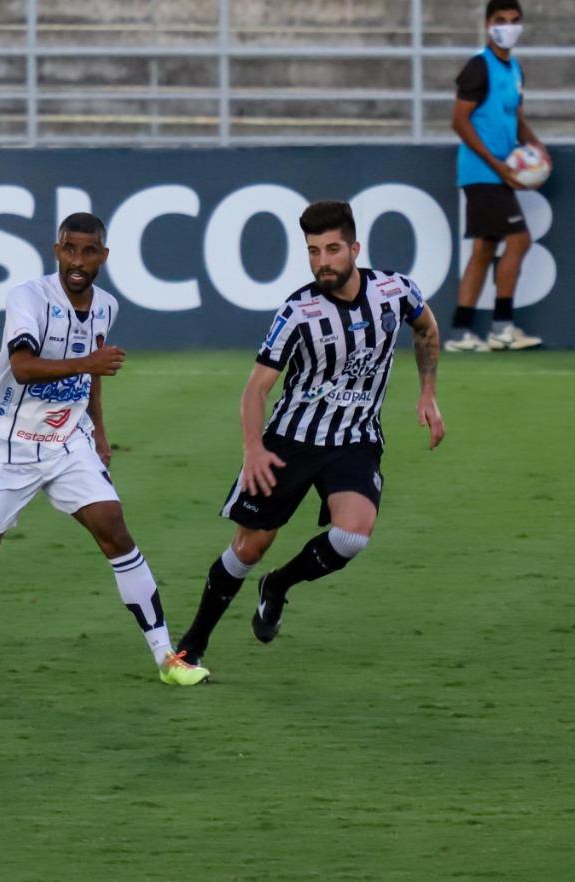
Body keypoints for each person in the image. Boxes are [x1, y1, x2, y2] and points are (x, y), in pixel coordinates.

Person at [0, 212, 209, 689]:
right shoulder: (28, 298)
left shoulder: (107, 306)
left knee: (115, 532)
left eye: (89, 251)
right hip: (6, 445)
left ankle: (166, 656)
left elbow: (90, 376)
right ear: (57, 251)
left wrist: (98, 430)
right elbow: (23, 367)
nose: (78, 261)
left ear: (103, 256)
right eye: (70, 250)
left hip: (67, 442)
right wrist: (90, 362)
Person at [176, 201, 446, 667]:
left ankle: (278, 585)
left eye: (333, 249)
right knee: (249, 549)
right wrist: (253, 448)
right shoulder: (298, 313)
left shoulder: (396, 290)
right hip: (290, 442)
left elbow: (426, 330)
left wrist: (428, 394)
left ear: (355, 249)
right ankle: (193, 644)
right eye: (313, 251)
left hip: (355, 438)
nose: (323, 260)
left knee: (352, 536)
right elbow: (257, 387)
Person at [446, 0, 547, 352]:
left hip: (500, 171)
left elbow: (514, 115)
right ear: (488, 24)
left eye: (514, 20)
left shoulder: (514, 68)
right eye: (501, 20)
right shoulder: (479, 67)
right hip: (483, 171)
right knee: (519, 240)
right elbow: (459, 121)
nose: (508, 26)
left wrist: (535, 143)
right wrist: (496, 163)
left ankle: (461, 330)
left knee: (485, 248)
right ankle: (502, 326)